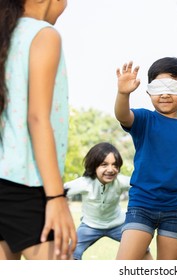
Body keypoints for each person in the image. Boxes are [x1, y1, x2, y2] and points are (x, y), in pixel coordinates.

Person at [114, 57, 177, 260]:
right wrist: (123, 94)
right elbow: (123, 115)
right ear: (149, 91)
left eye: (173, 87)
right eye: (159, 88)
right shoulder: (144, 120)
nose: (166, 94)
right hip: (142, 204)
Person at [0, 0, 76, 260]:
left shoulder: (5, 34)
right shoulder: (43, 34)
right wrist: (56, 197)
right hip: (26, 184)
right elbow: (37, 118)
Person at [65, 142, 153, 260]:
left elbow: (142, 185)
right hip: (90, 225)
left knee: (142, 248)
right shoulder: (84, 183)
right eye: (104, 164)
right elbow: (60, 191)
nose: (111, 169)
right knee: (71, 252)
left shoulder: (120, 181)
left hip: (117, 224)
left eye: (115, 165)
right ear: (94, 166)